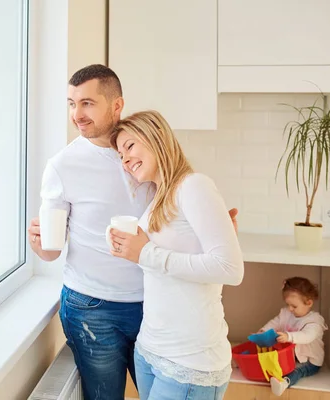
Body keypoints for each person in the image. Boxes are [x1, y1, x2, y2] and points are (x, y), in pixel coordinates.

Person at [28, 64, 238, 400]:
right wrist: (41, 246)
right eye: (71, 103)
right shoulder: (62, 165)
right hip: (92, 307)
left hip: (153, 305)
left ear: (116, 105)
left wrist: (213, 233)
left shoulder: (146, 157)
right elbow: (52, 250)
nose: (77, 114)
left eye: (87, 103)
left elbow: (184, 221)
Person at [108, 110, 244, 399]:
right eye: (120, 155)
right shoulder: (158, 196)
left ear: (156, 137)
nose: (125, 160)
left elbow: (230, 269)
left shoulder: (194, 185)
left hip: (190, 360)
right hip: (150, 351)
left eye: (130, 146)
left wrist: (145, 253)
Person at [257, 277, 328, 396]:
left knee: (297, 371)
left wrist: (289, 336)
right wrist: (264, 330)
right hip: (292, 356)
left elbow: (307, 336)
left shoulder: (315, 321)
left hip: (309, 361)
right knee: (270, 357)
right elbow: (276, 323)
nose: (290, 309)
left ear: (309, 303)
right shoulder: (286, 314)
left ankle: (283, 383)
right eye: (288, 305)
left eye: (294, 306)